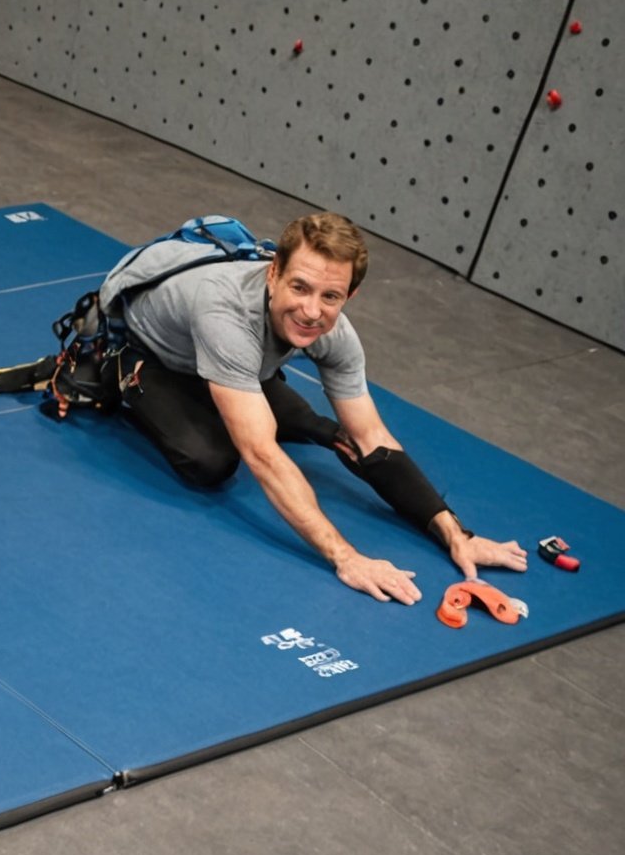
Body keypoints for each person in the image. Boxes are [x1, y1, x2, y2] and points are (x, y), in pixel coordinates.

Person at [105, 212, 526, 603]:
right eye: (300, 287)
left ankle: (233, 395)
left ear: (350, 295)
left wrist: (456, 534)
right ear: (273, 273)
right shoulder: (225, 312)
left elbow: (372, 437)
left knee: (308, 423)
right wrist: (347, 557)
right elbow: (261, 455)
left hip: (237, 358)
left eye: (331, 296)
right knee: (210, 461)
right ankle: (119, 374)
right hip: (156, 356)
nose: (311, 312)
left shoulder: (334, 332)